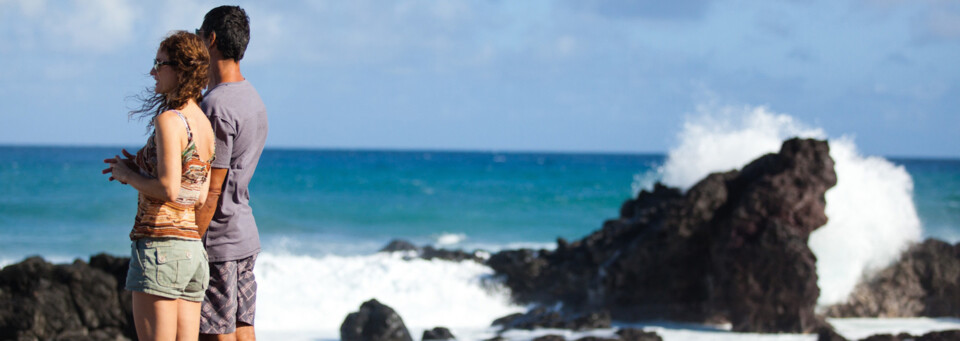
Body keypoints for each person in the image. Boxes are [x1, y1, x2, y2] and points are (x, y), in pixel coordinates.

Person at [103, 31, 215, 341]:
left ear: (180, 71)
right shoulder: (204, 124)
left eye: (159, 63)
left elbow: (168, 188)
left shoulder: (170, 120)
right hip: (192, 251)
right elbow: (198, 195)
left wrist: (129, 177)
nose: (153, 71)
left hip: (160, 248)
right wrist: (143, 166)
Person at [193, 6, 268, 341]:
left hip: (219, 238)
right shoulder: (252, 98)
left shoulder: (216, 106)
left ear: (210, 39)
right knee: (242, 325)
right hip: (245, 233)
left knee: (216, 332)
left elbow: (212, 186)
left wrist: (191, 239)